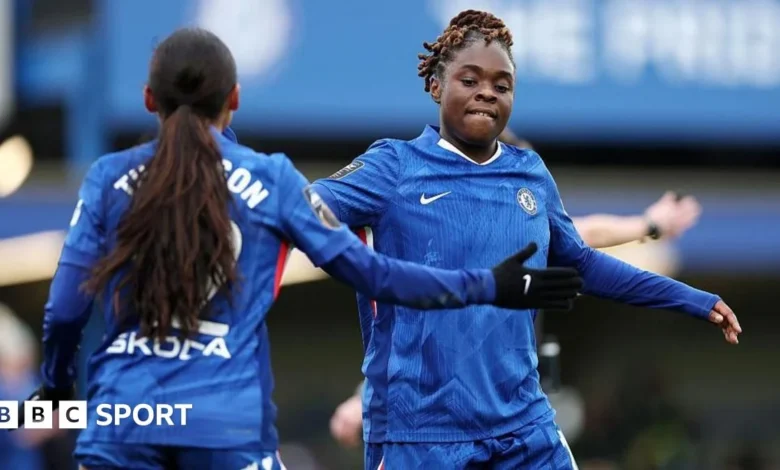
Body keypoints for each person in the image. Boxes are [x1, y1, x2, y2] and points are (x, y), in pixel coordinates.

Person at [17, 28, 584, 470]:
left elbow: (64, 310)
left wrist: (57, 388)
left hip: (122, 419)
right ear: (234, 99)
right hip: (224, 424)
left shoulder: (107, 177)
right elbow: (376, 275)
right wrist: (487, 283)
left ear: (148, 99)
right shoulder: (270, 181)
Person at [310, 10, 740, 469]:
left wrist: (691, 299)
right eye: (470, 80)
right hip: (421, 436)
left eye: (502, 85)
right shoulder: (393, 166)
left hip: (522, 429)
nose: (486, 93)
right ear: (435, 86)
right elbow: (303, 208)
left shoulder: (529, 173)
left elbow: (580, 263)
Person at [329, 189, 702, 448]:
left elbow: (583, 232)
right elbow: (422, 343)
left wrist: (649, 225)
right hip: (442, 424)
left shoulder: (523, 229)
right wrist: (365, 397)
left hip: (512, 416)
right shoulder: (442, 248)